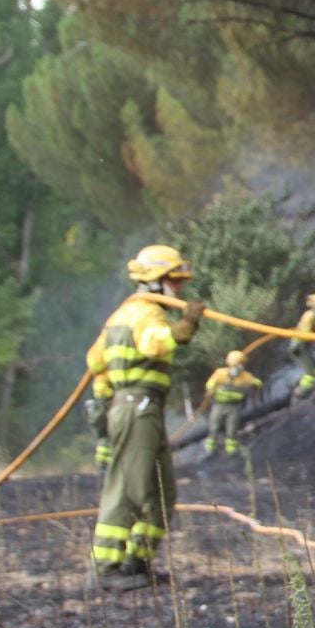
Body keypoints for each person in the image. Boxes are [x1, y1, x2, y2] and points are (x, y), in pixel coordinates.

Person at [85, 244, 204, 591]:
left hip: (143, 409)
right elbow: (156, 343)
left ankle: (136, 563)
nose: (179, 288)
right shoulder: (144, 312)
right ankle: (106, 568)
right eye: (174, 281)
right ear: (155, 280)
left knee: (161, 492)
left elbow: (95, 360)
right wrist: (186, 326)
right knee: (128, 487)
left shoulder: (122, 315)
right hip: (136, 408)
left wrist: (108, 388)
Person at [200, 350, 263, 457]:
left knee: (232, 428)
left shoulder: (245, 377)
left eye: (242, 364)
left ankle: (232, 451)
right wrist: (210, 392)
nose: (240, 366)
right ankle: (210, 450)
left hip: (234, 406)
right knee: (214, 426)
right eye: (238, 363)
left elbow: (256, 382)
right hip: (219, 405)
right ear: (231, 363)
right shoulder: (220, 373)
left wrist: (256, 385)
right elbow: (210, 385)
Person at [291, 292, 315, 402]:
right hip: (299, 348)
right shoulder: (309, 316)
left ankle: (298, 384)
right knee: (311, 374)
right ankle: (298, 395)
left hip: (304, 347)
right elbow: (306, 333)